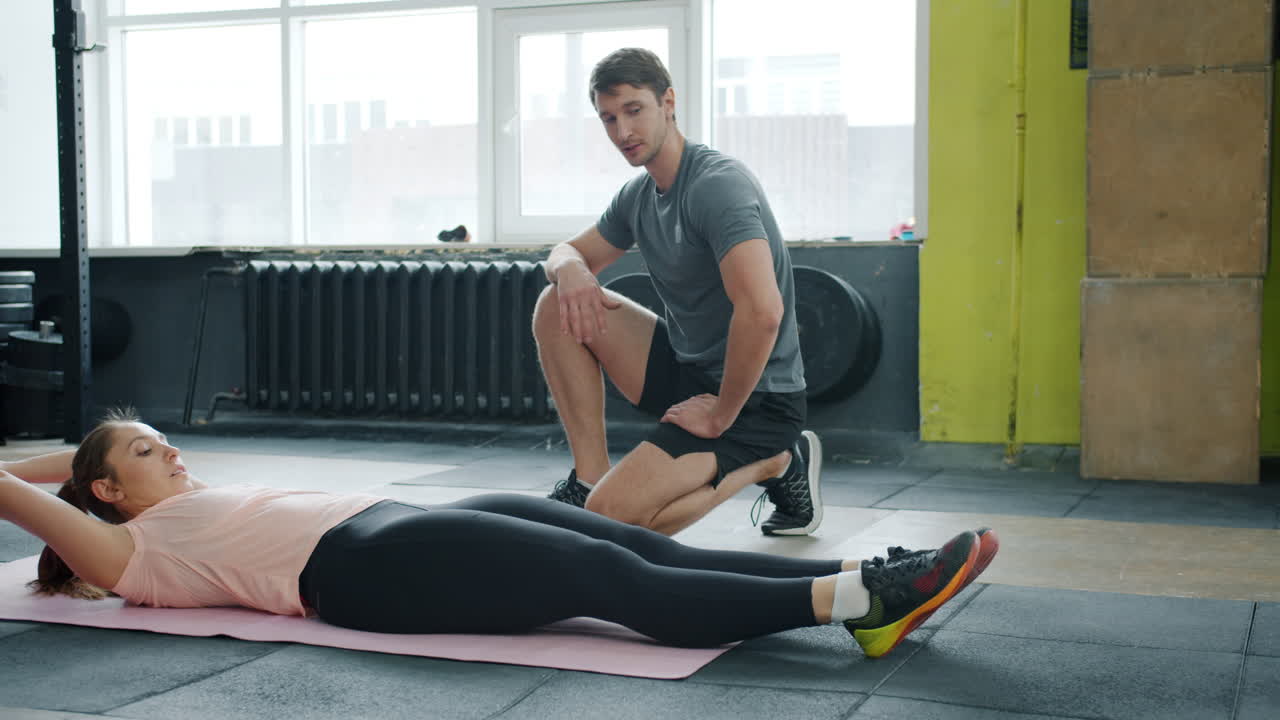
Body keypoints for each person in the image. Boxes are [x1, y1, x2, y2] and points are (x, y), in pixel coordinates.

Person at [0, 410, 997, 659]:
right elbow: (19, 483)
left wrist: (98, 458)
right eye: (142, 449)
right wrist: (81, 481)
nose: (167, 448)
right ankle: (858, 607)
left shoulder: (172, 499)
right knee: (608, 577)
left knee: (649, 550)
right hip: (359, 569)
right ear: (104, 492)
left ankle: (862, 570)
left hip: (401, 520)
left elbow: (65, 464)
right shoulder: (128, 552)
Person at [536, 47, 820, 538]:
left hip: (756, 398)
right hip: (689, 370)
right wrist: (572, 269)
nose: (622, 132)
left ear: (668, 102)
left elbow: (763, 313)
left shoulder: (716, 186)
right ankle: (589, 478)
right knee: (553, 305)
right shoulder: (639, 196)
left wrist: (719, 415)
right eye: (608, 118)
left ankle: (774, 460)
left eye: (633, 110)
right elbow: (564, 251)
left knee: (608, 522)